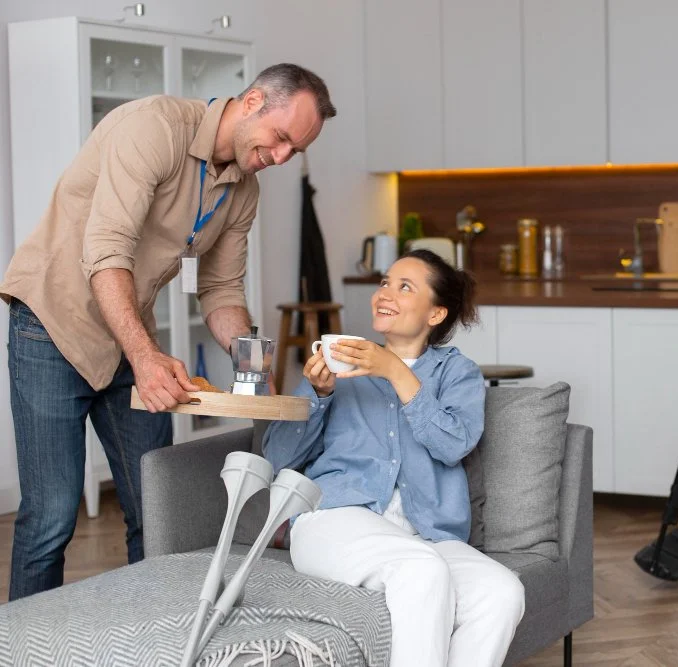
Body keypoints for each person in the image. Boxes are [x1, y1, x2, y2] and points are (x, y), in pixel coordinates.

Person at [0, 63, 336, 601]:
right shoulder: (152, 128)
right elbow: (106, 249)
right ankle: (19, 646)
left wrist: (254, 366)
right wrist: (146, 355)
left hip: (128, 335)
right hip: (51, 324)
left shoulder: (243, 190)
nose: (280, 158)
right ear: (251, 102)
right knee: (52, 514)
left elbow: (222, 289)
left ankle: (156, 638)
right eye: (279, 139)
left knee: (153, 506)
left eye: (294, 151)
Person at [262, 249, 525, 667]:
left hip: (427, 535)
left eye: (405, 287)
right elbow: (279, 455)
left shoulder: (457, 374)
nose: (385, 293)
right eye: (385, 282)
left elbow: (453, 444)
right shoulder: (341, 364)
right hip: (333, 518)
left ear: (435, 314)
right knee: (420, 571)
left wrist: (395, 372)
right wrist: (318, 394)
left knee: (502, 591)